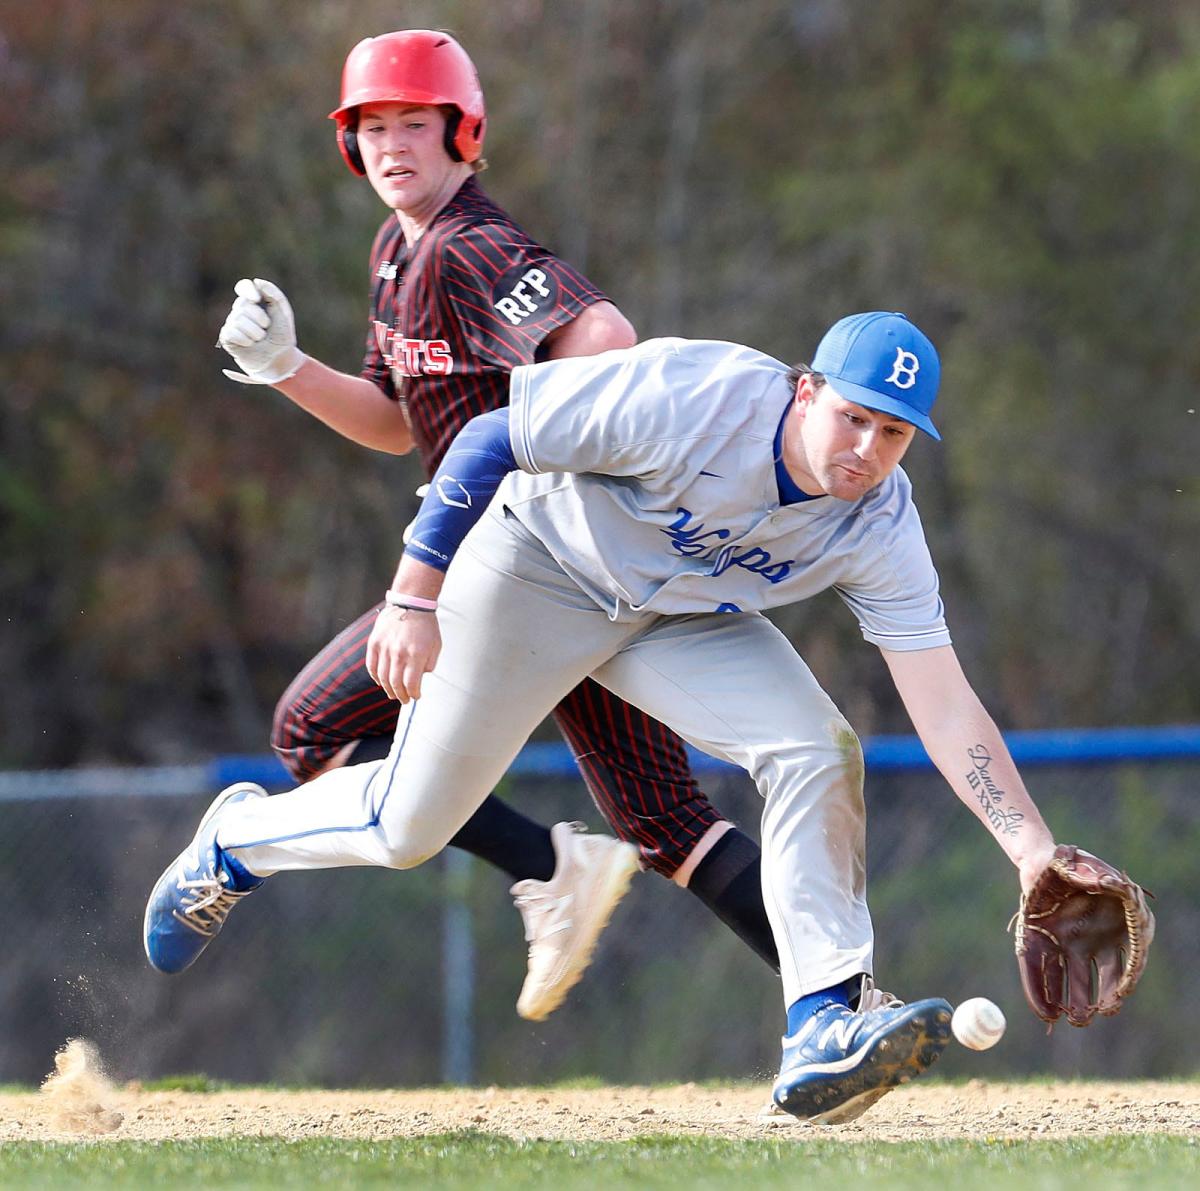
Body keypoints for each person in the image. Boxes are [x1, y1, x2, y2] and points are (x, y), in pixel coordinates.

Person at [145, 309, 1105, 1122]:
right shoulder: (695, 393)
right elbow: (490, 437)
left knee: (817, 745)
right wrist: (412, 594)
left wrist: (1029, 848)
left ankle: (822, 1017)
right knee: (408, 826)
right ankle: (238, 838)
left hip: (671, 618)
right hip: (535, 568)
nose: (867, 450)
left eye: (894, 433)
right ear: (806, 391)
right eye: (854, 417)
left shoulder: (880, 519)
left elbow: (941, 696)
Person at [205, 29, 780, 1023]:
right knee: (666, 822)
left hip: (518, 565)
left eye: (413, 123)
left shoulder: (468, 246)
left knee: (312, 729)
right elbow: (396, 424)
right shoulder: (398, 249)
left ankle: (545, 865)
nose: (391, 144)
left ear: (463, 131)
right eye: (371, 126)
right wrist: (288, 371)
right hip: (571, 571)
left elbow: (605, 340)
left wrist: (551, 472)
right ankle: (846, 992)